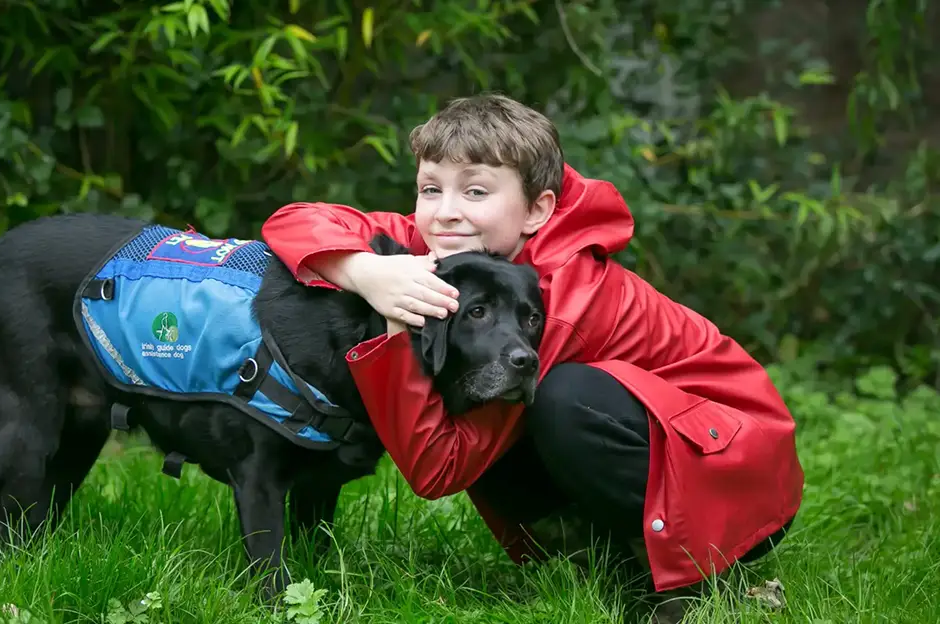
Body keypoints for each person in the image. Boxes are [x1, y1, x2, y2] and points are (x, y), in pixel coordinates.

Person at [259, 93, 803, 620]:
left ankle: (693, 577)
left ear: (537, 209)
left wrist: (396, 325)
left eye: (475, 192)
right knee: (489, 395)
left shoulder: (559, 303)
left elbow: (437, 467)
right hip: (680, 450)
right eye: (430, 189)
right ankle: (604, 569)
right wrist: (366, 272)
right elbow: (293, 219)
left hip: (735, 471)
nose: (446, 214)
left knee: (554, 396)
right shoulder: (455, 244)